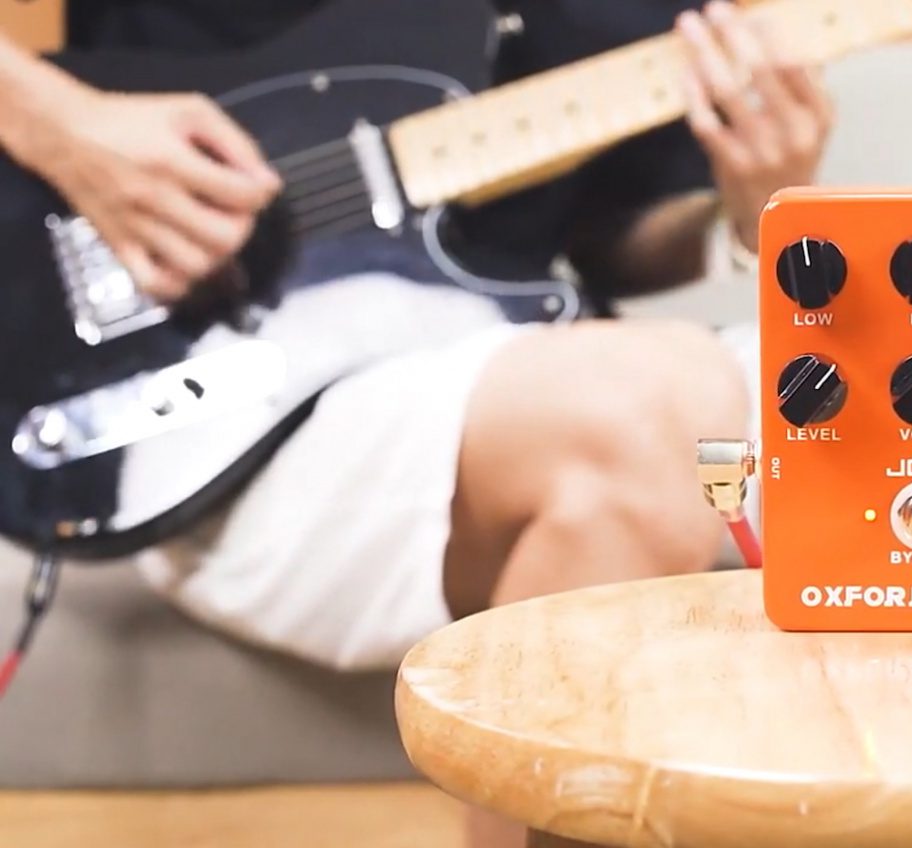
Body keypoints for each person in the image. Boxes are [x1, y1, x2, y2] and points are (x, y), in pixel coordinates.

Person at [0, 1, 828, 843]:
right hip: (233, 403)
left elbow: (618, 235)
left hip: (515, 363)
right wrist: (53, 119)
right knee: (660, 411)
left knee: (880, 412)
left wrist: (749, 207)